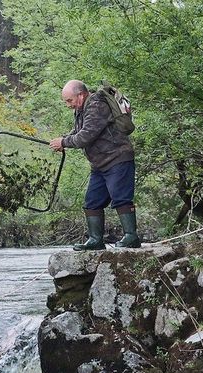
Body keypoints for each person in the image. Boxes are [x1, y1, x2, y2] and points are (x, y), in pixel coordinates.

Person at [49, 80, 140, 250]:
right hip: (100, 164)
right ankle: (95, 240)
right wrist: (62, 141)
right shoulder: (81, 109)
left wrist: (64, 142)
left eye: (69, 101)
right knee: (92, 202)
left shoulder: (97, 105)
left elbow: (86, 135)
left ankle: (131, 237)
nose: (68, 105)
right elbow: (77, 132)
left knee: (121, 199)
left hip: (117, 158)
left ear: (81, 95)